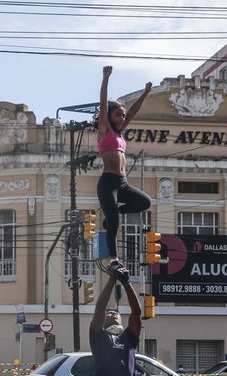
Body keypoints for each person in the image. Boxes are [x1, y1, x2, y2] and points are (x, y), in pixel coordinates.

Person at [97, 65, 153, 273]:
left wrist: (146, 93)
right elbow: (103, 105)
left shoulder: (120, 134)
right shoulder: (105, 131)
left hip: (122, 182)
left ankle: (114, 213)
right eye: (118, 115)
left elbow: (133, 112)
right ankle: (114, 259)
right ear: (110, 118)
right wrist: (105, 78)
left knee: (144, 202)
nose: (122, 118)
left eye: (123, 115)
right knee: (113, 222)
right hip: (108, 182)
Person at [88, 266, 142, 376]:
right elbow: (99, 308)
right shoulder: (99, 336)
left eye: (116, 313)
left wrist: (126, 282)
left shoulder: (130, 337)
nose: (112, 313)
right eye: (109, 313)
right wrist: (112, 278)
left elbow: (136, 312)